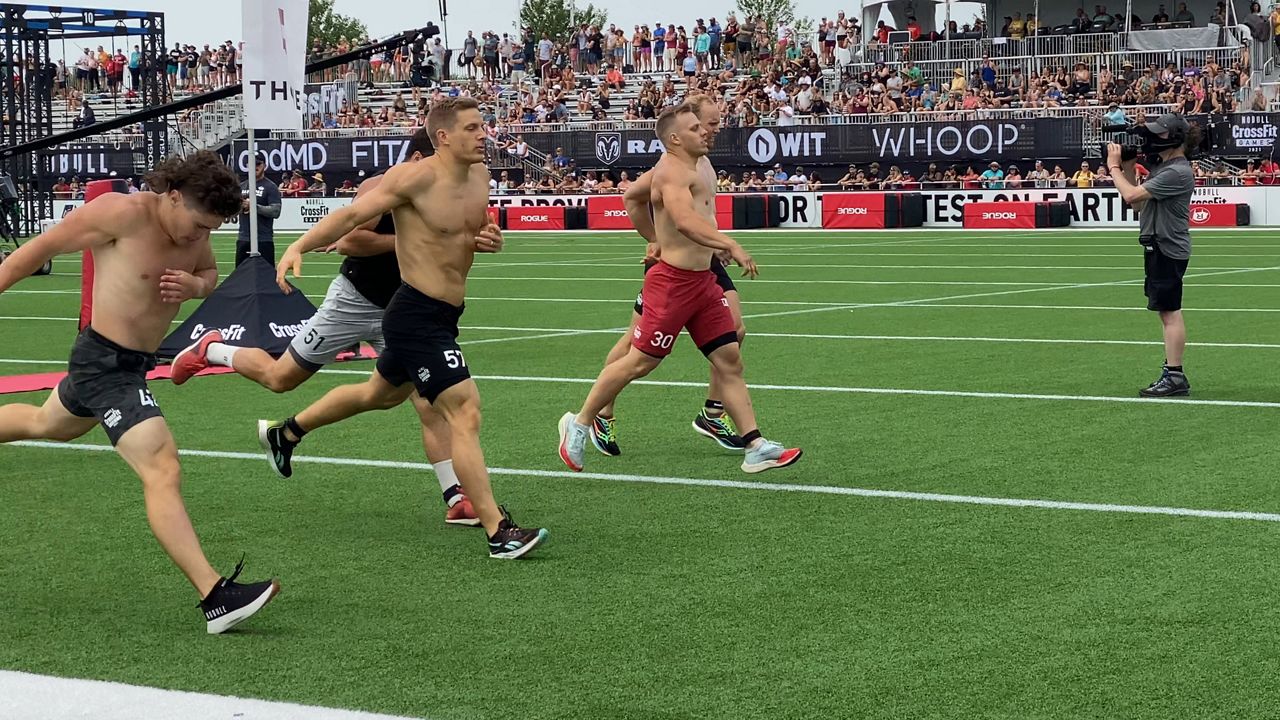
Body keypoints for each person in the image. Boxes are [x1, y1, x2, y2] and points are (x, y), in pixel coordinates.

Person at [0, 152, 279, 634]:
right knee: (162, 466)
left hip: (134, 364)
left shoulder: (200, 228)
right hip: (103, 363)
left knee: (47, 425)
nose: (198, 236)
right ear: (172, 196)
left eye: (208, 228)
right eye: (195, 223)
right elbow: (38, 250)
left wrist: (195, 285)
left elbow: (210, 277)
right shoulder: (120, 214)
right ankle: (216, 595)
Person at [170, 131, 503, 527]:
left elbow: (468, 237)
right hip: (356, 299)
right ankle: (214, 351)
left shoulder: (459, 187)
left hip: (409, 309)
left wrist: (484, 239)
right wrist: (412, 238)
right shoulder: (385, 185)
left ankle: (455, 496)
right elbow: (349, 239)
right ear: (420, 156)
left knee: (423, 401)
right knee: (280, 378)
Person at [270, 98, 547, 559]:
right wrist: (297, 245)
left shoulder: (479, 176)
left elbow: (476, 230)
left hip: (445, 313)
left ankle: (289, 432)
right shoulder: (414, 178)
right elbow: (350, 218)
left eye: (483, 126)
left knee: (378, 395)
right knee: (465, 411)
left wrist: (491, 237)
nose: (484, 135)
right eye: (473, 128)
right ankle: (499, 531)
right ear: (443, 137)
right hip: (414, 313)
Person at [557, 104, 802, 475]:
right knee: (640, 360)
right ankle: (579, 422)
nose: (706, 131)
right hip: (672, 284)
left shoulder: (696, 166)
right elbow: (685, 221)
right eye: (696, 128)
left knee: (729, 359)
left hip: (704, 281)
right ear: (675, 138)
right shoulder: (669, 173)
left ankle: (755, 445)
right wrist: (727, 243)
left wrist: (712, 245)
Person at [585, 96, 747, 457]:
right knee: (636, 347)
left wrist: (716, 242)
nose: (714, 129)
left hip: (705, 261)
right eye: (709, 124)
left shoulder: (702, 161)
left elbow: (701, 214)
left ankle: (713, 411)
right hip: (673, 266)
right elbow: (632, 197)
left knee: (735, 331)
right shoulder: (668, 165)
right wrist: (655, 239)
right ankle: (601, 412)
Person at [1108, 113, 1199, 397]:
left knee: (1170, 312)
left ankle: (1174, 375)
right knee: (1166, 311)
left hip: (1167, 246)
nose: (1151, 138)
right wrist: (1128, 165)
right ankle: (1173, 373)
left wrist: (1113, 168)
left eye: (1158, 133)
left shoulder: (1176, 171)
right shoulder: (1164, 168)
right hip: (1160, 245)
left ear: (1174, 138)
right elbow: (1139, 206)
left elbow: (1131, 197)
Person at [236, 153, 281, 267]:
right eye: (251, 164)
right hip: (244, 238)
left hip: (263, 239)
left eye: (258, 164)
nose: (255, 166)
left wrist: (254, 207)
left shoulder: (270, 187)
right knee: (241, 276)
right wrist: (240, 207)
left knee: (267, 277)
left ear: (264, 165)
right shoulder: (241, 186)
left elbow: (275, 211)